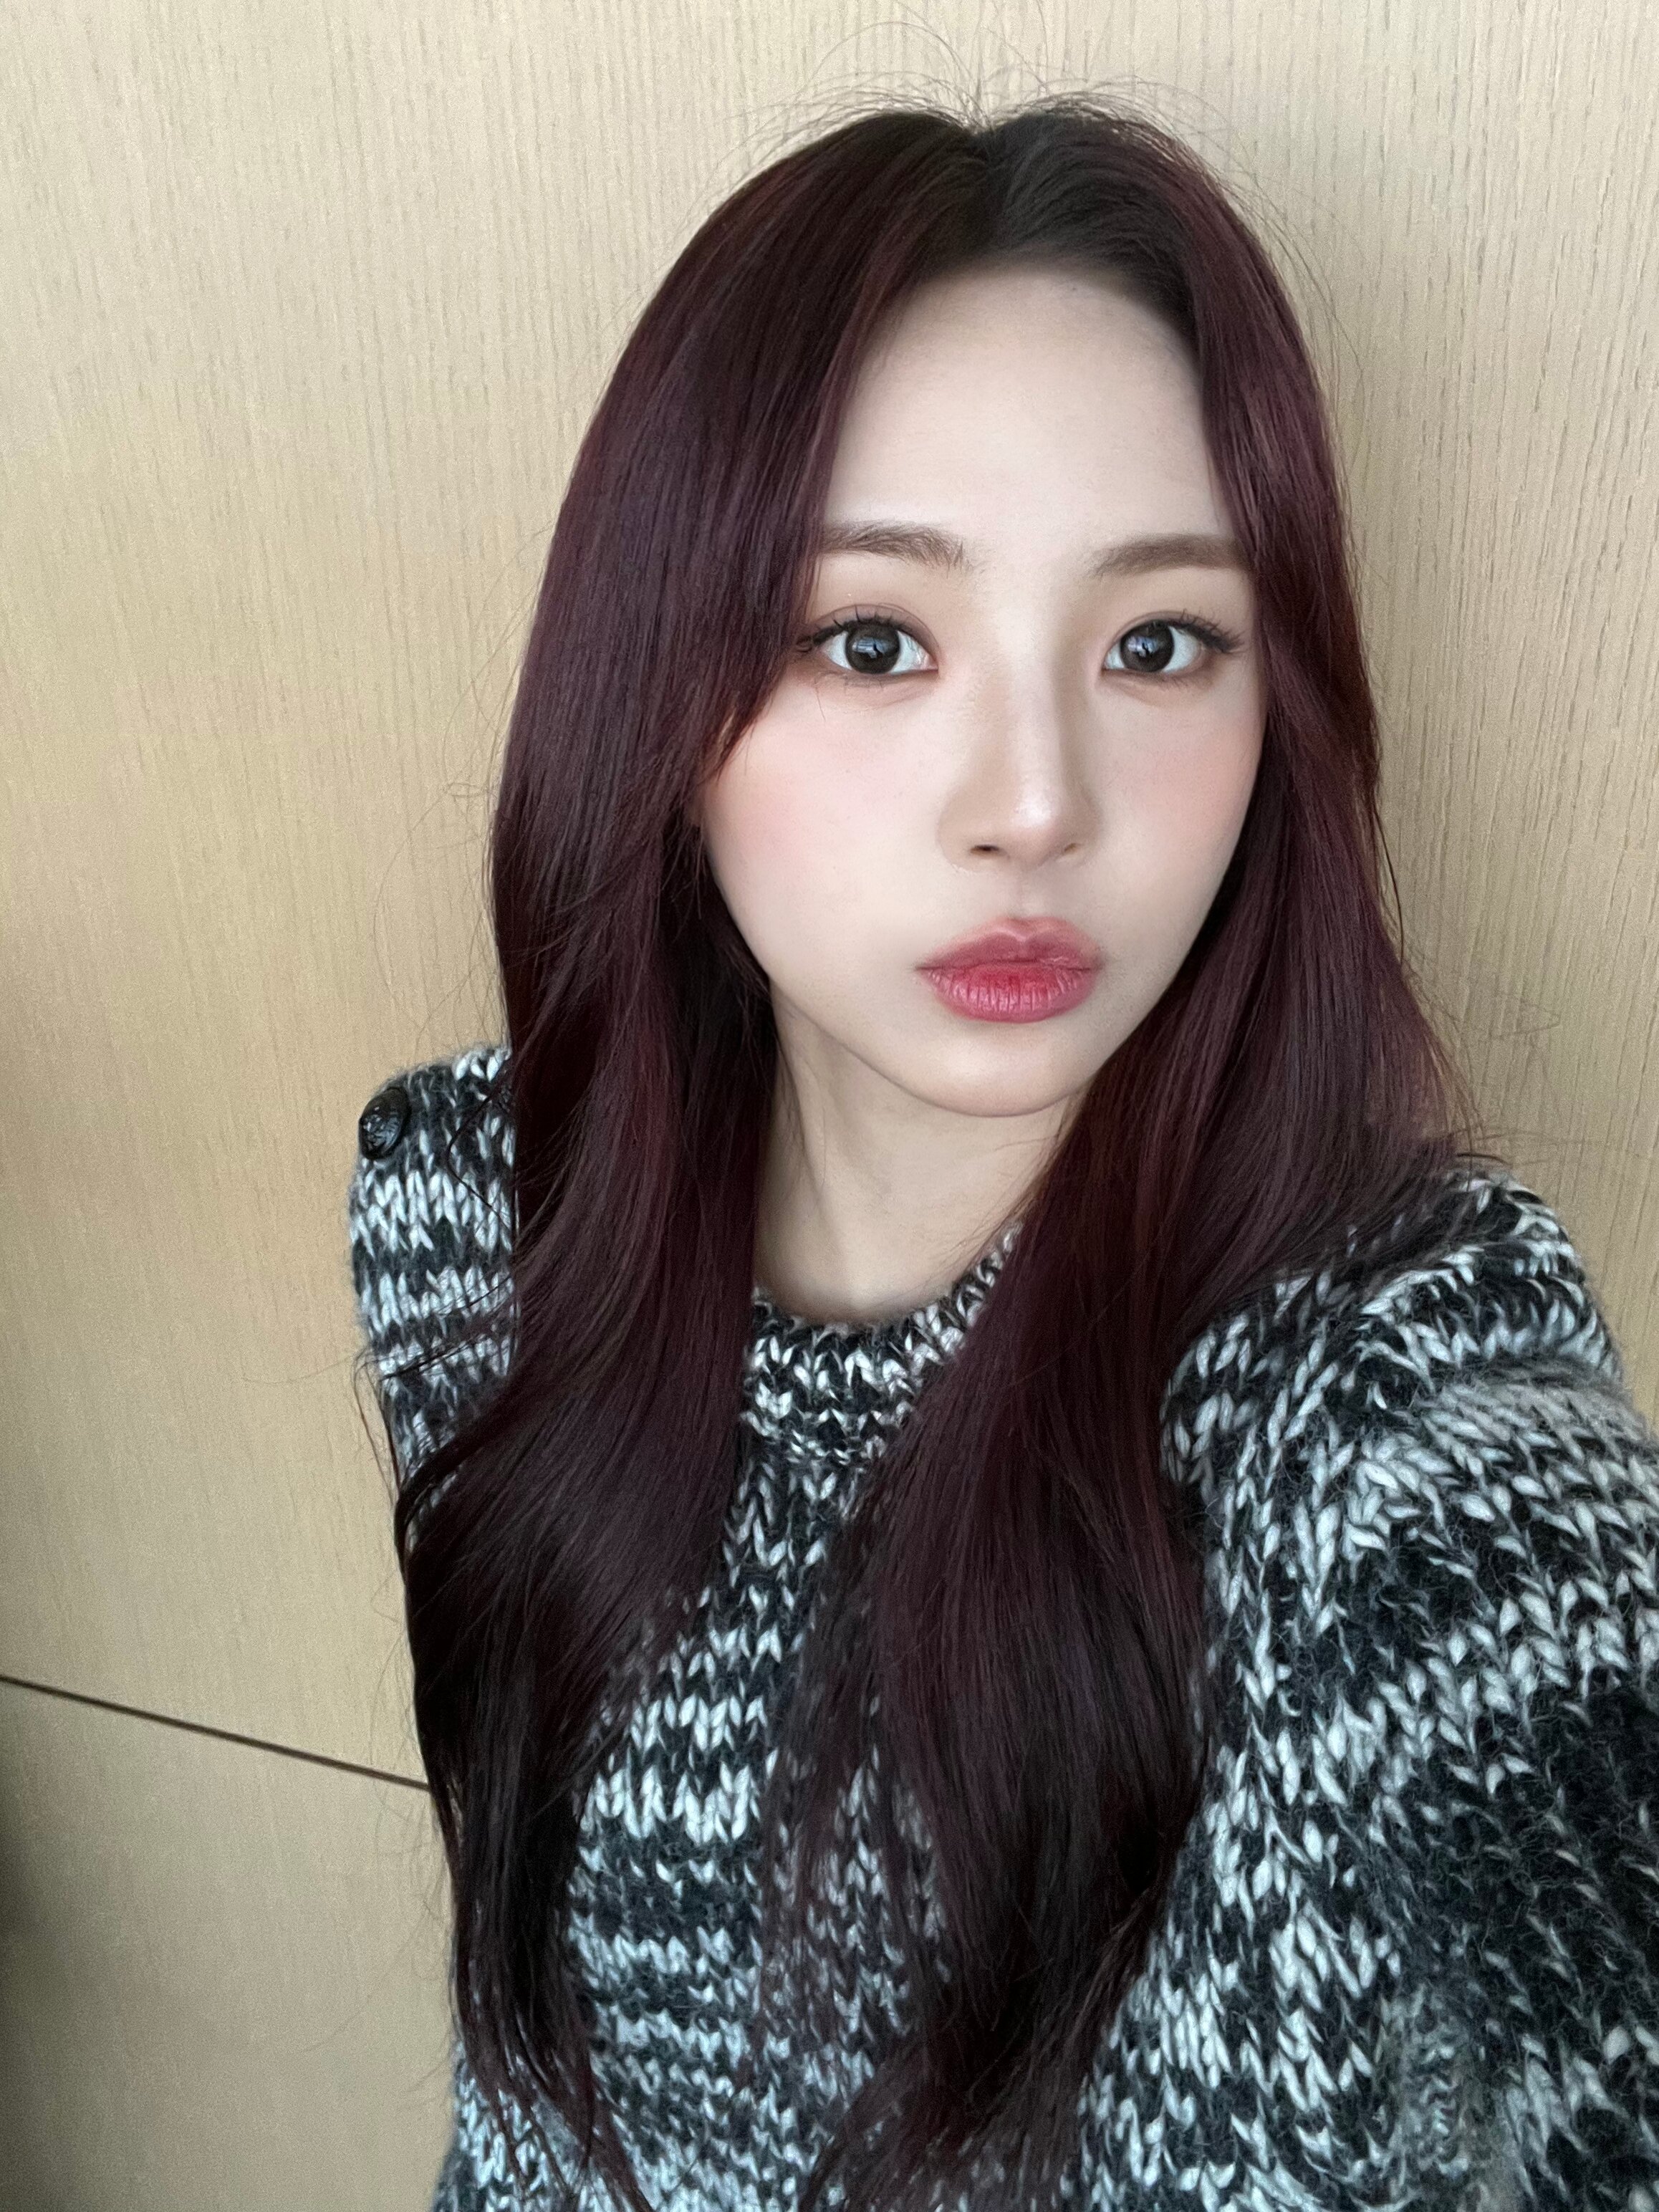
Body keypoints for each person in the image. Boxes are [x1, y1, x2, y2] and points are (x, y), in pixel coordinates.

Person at [347, 96, 1659, 2212]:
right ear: (658, 691)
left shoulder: (1378, 1404)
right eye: (873, 639)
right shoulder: (478, 1219)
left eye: (1159, 644)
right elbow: (536, 2106)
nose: (1035, 802)